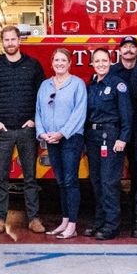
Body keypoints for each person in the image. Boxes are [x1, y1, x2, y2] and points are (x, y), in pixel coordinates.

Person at [0, 24, 46, 234]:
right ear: (2, 42)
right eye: (6, 40)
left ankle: (34, 218)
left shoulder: (33, 65)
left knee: (30, 177)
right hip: (3, 131)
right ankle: (0, 219)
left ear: (19, 40)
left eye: (13, 39)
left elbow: (42, 96)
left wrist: (34, 120)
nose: (10, 43)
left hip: (27, 130)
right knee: (1, 178)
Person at [35, 47, 87, 239]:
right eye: (56, 60)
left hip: (71, 139)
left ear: (70, 63)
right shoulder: (45, 85)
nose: (59, 63)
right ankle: (64, 221)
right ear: (52, 63)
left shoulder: (77, 84)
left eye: (63, 60)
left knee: (71, 181)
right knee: (61, 181)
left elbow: (79, 113)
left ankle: (72, 225)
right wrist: (42, 132)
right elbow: (38, 110)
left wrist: (62, 133)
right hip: (51, 139)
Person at [83, 48, 132, 240]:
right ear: (92, 63)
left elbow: (127, 114)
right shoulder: (92, 85)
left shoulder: (118, 84)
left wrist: (123, 138)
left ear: (111, 62)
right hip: (92, 136)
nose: (101, 64)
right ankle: (100, 222)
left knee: (109, 181)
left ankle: (112, 225)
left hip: (111, 137)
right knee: (96, 181)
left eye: (104, 60)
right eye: (97, 61)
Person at [114, 35, 137, 237]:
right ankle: (112, 220)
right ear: (120, 51)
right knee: (111, 177)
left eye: (133, 47)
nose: (129, 50)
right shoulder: (112, 72)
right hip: (116, 133)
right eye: (125, 47)